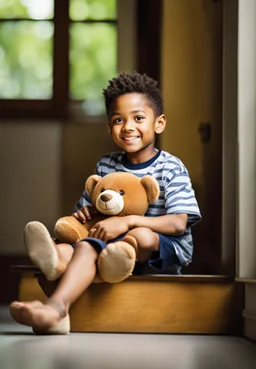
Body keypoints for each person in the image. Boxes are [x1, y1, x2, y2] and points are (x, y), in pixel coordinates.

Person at [9, 71, 201, 333]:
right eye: (118, 120)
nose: (128, 127)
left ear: (159, 123)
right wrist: (87, 212)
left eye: (139, 118)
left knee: (140, 235)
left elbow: (179, 224)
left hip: (160, 250)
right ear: (109, 126)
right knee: (83, 246)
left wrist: (127, 222)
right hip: (106, 246)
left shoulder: (171, 167)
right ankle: (54, 261)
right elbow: (86, 217)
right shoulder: (106, 164)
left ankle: (58, 303)